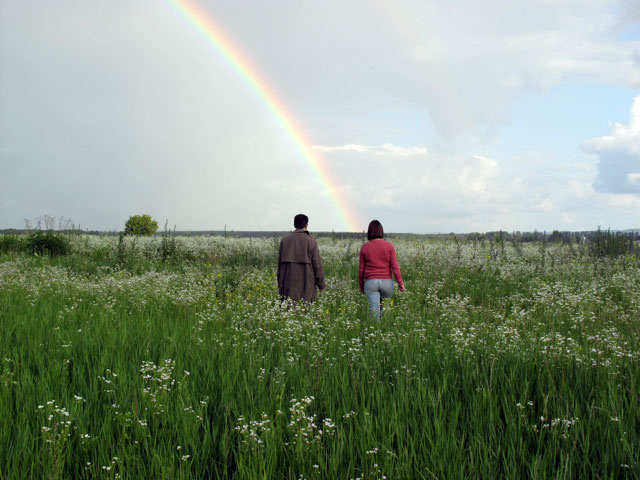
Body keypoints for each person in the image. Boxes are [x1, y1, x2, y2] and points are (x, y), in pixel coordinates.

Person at [359, 220, 405, 317]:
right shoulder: (389, 246)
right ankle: (385, 330)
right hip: (387, 283)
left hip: (371, 282)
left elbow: (361, 270)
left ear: (369, 232)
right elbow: (395, 267)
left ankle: (375, 330)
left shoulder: (365, 247)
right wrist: (401, 284)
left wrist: (361, 286)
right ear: (381, 231)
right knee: (385, 310)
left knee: (374, 310)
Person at [277, 214, 325, 303]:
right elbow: (317, 265)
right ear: (306, 225)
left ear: (294, 225)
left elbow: (279, 267)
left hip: (288, 285)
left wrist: (280, 285)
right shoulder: (311, 241)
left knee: (288, 310)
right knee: (305, 310)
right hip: (307, 285)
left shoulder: (285, 240)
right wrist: (321, 285)